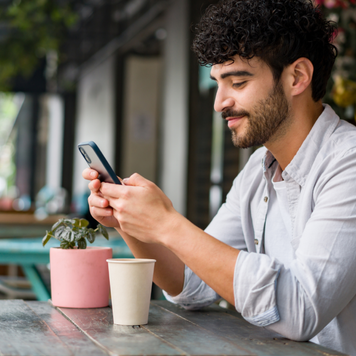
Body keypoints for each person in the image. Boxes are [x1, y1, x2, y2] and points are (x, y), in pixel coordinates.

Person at [83, 0, 356, 354]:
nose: (219, 103)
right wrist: (128, 219)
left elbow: (299, 309)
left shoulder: (347, 164)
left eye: (238, 82)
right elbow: (192, 284)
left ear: (297, 77)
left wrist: (168, 224)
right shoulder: (258, 173)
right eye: (217, 84)